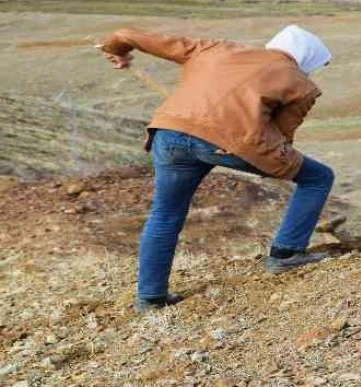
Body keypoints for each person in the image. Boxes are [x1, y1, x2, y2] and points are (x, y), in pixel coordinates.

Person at [99, 25, 334, 312]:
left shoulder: (215, 48)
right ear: (306, 59)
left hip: (169, 133)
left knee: (166, 214)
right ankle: (285, 253)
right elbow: (282, 136)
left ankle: (150, 298)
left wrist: (117, 52)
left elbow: (125, 34)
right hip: (231, 146)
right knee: (318, 177)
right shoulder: (301, 84)